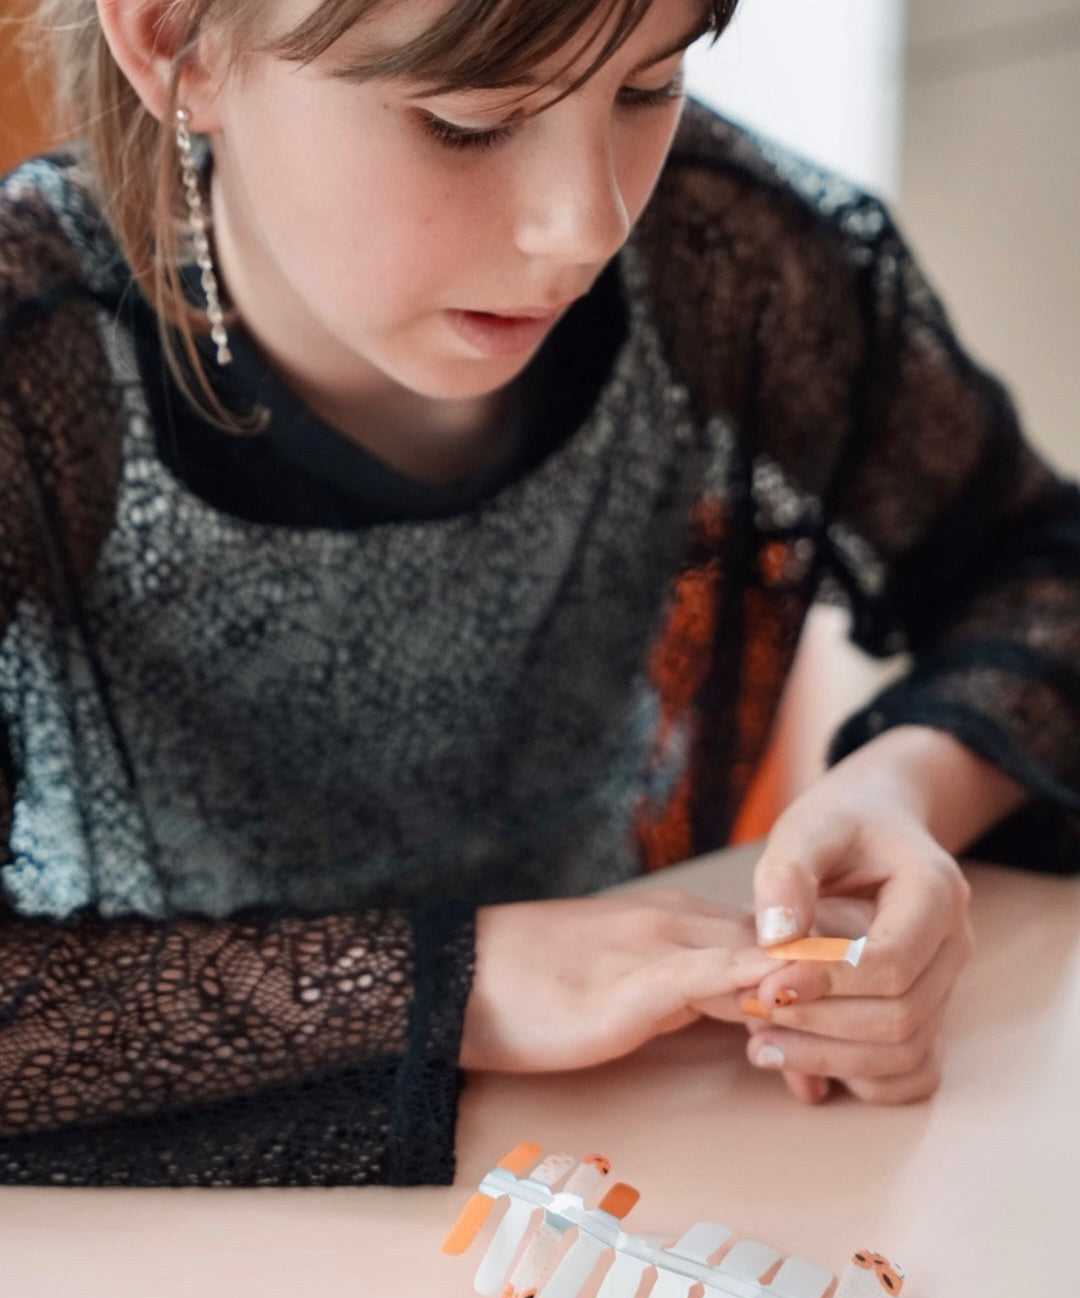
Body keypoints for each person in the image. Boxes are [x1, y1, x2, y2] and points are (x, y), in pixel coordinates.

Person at [0, 0, 1075, 1187]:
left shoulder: (719, 244)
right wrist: (460, 981)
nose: (588, 226)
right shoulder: (34, 346)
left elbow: (1045, 567)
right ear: (175, 40)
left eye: (645, 88)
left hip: (649, 1117)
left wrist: (908, 786)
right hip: (172, 1201)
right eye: (469, 123)